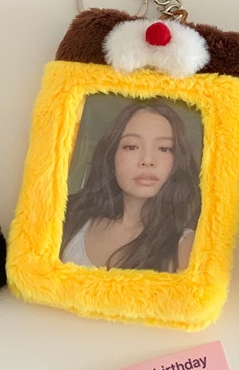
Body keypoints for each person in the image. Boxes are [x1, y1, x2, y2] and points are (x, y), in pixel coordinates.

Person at [60, 101, 201, 272]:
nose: (147, 160)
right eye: (132, 146)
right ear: (111, 154)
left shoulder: (187, 247)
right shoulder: (69, 218)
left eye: (164, 148)